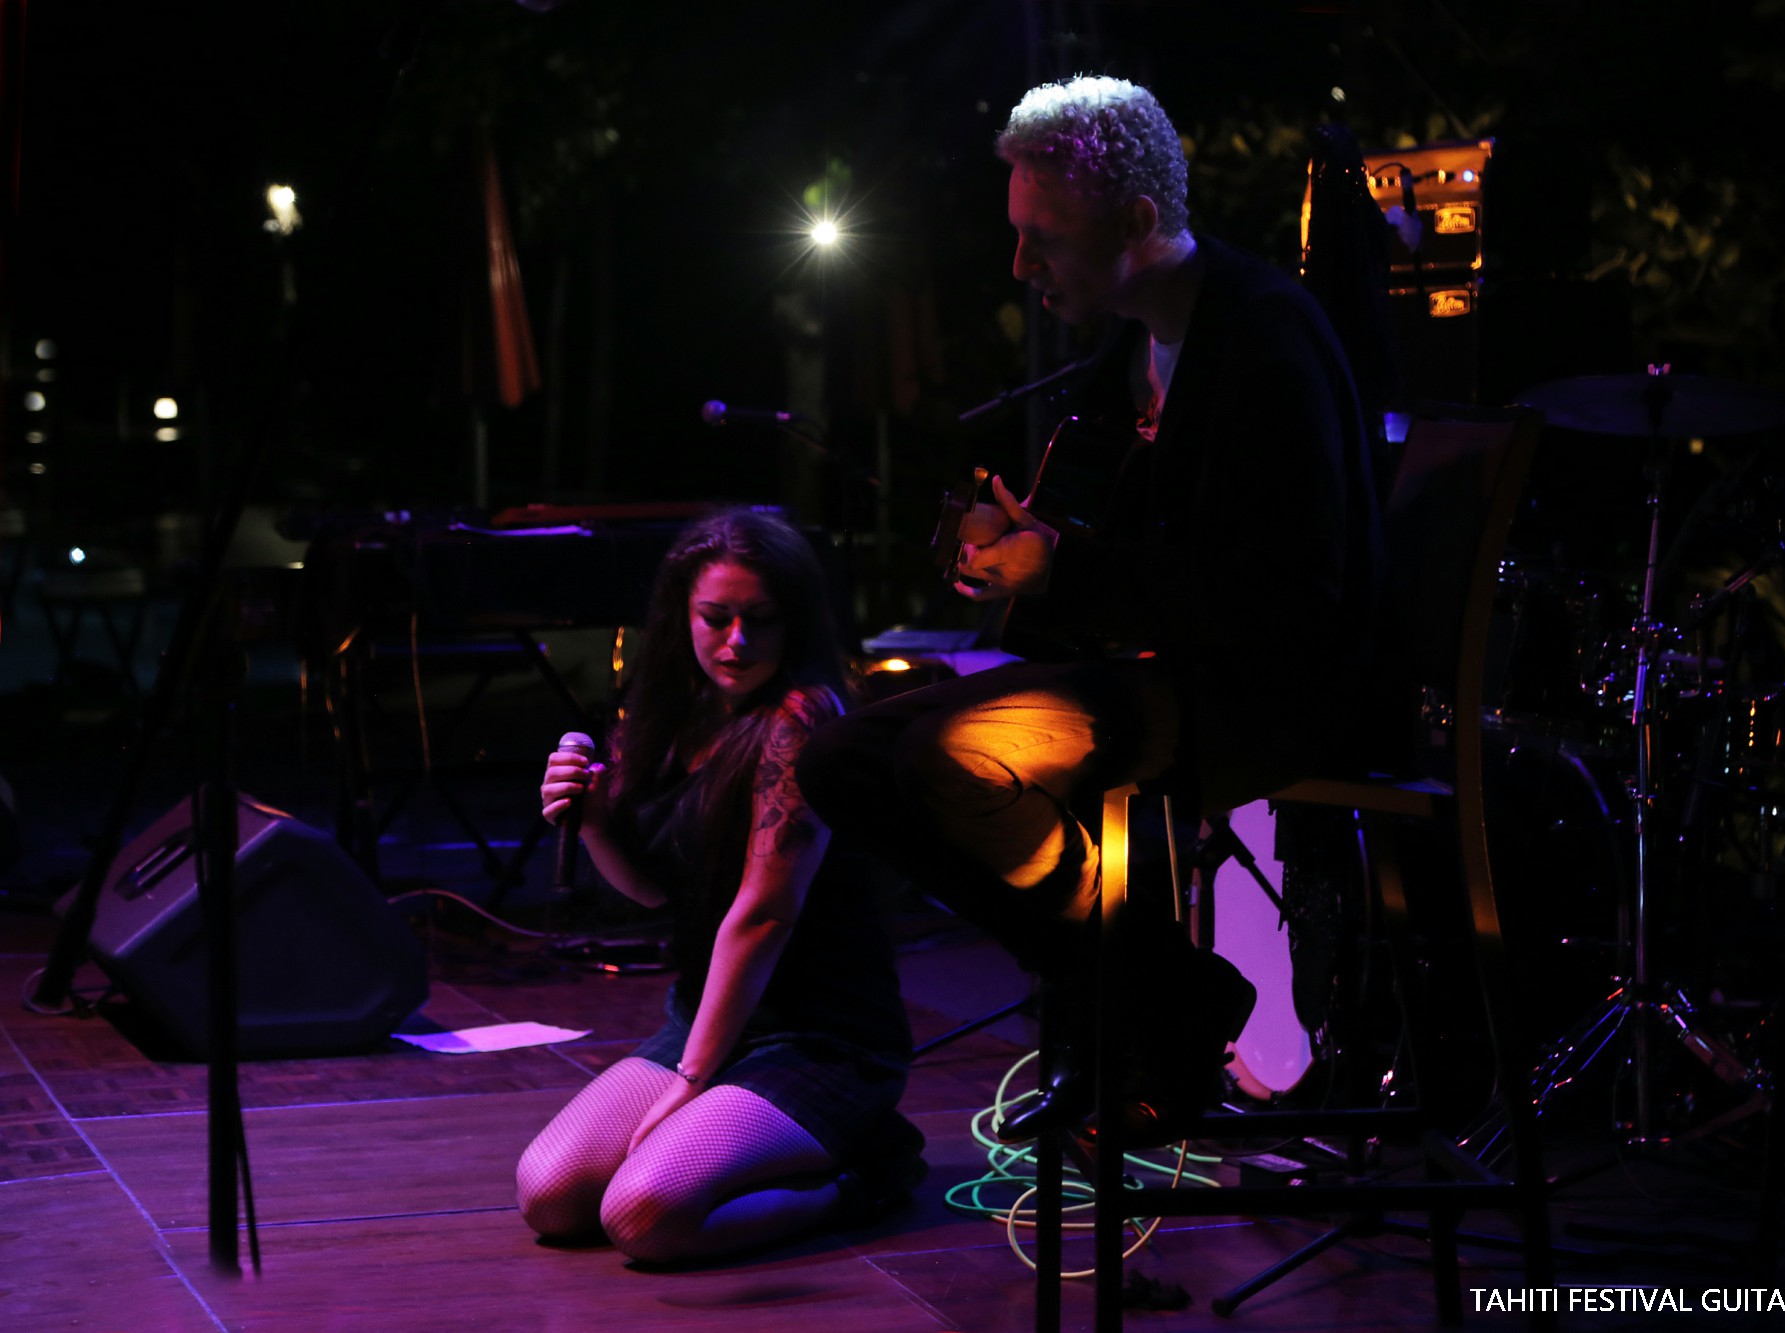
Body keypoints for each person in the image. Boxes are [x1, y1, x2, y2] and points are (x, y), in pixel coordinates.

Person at [796, 77, 1385, 1143]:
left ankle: (1140, 1009)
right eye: (1017, 234)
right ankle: (1155, 992)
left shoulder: (1263, 337)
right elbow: (1123, 546)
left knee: (952, 760)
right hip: (1169, 671)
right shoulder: (1131, 345)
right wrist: (1028, 549)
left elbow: (1285, 594)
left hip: (1266, 692)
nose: (1021, 266)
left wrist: (1059, 572)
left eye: (1046, 239)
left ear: (1136, 222)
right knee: (839, 758)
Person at [516, 510, 921, 1265]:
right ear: (683, 615)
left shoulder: (803, 716)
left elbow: (765, 911)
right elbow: (651, 894)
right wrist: (595, 821)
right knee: (551, 1194)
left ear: (794, 620)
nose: (736, 641)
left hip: (821, 1039)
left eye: (759, 620)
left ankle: (868, 1174)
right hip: (707, 1019)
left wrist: (691, 1079)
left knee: (644, 1217)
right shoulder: (678, 713)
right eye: (716, 618)